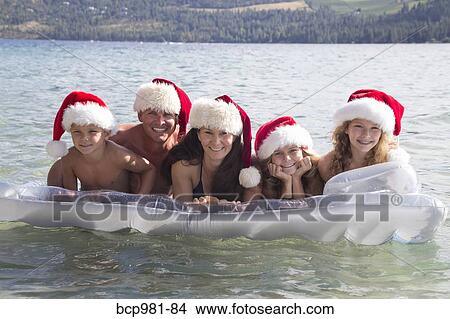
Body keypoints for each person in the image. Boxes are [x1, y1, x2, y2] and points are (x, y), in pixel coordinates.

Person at [47, 78, 191, 194]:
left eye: (167, 114)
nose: (160, 121)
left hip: (160, 208)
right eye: (152, 113)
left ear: (177, 119)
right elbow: (78, 154)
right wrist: (56, 197)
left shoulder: (184, 145)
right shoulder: (119, 138)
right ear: (140, 115)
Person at [46, 91, 155, 193]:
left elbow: (149, 169)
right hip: (89, 203)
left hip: (118, 204)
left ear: (106, 134)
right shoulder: (69, 158)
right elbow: (72, 194)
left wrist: (140, 197)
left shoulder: (118, 155)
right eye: (77, 132)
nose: (84, 138)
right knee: (55, 173)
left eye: (92, 131)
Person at [162, 95, 252, 203]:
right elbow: (181, 213)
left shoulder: (249, 169)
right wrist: (197, 209)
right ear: (199, 135)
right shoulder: (184, 166)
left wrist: (222, 206)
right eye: (208, 133)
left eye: (224, 133)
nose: (216, 141)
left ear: (234, 137)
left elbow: (253, 212)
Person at [318, 89, 410, 182]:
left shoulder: (391, 164)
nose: (366, 135)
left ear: (382, 133)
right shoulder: (328, 164)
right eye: (359, 126)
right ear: (346, 128)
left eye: (374, 128)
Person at [239, 116, 323, 201]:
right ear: (269, 159)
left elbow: (302, 209)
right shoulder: (260, 180)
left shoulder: (318, 171)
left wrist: (296, 178)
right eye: (278, 153)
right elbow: (285, 211)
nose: (287, 158)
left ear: (303, 151)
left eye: (293, 150)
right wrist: (287, 181)